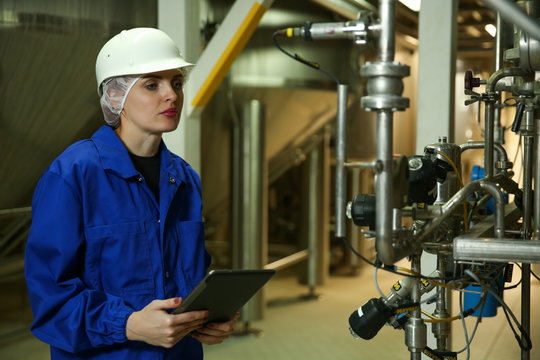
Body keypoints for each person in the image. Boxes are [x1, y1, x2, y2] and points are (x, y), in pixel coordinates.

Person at [24, 27, 238, 360]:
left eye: (177, 82)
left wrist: (208, 318)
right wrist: (128, 324)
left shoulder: (183, 178)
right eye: (152, 84)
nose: (172, 95)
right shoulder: (73, 175)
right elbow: (50, 300)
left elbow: (191, 277)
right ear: (114, 95)